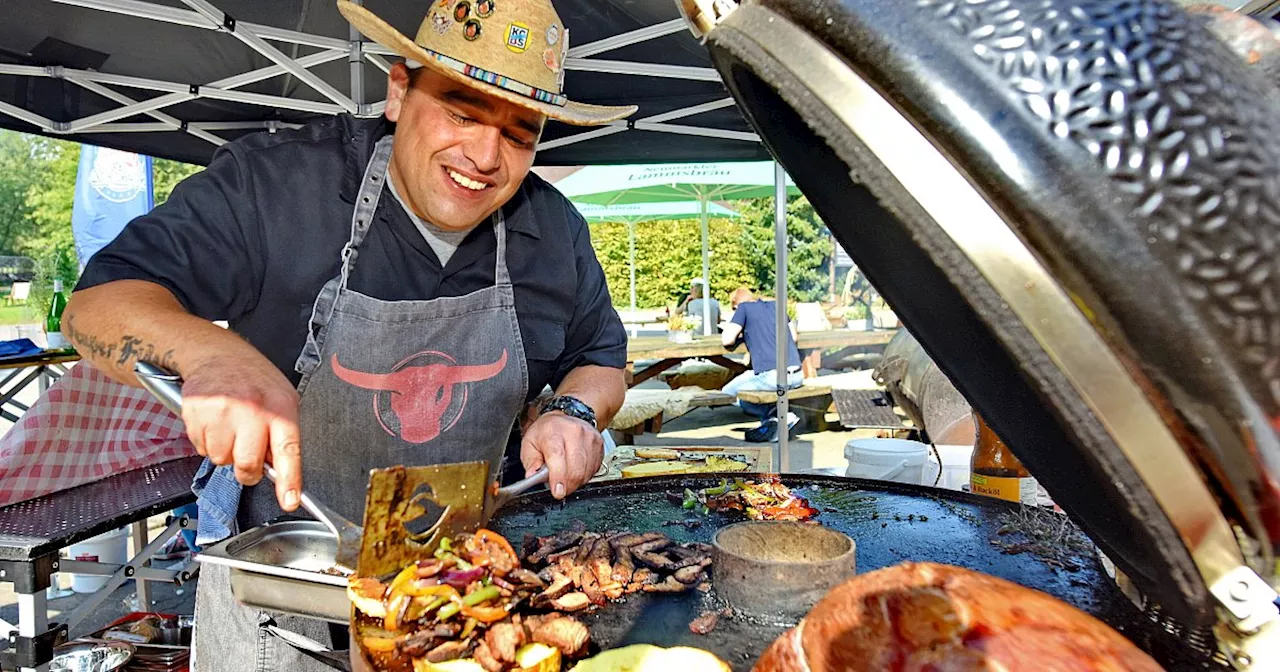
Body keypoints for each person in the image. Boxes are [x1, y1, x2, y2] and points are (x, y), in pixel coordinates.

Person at [61, 0, 637, 669]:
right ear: (399, 91)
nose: (485, 156)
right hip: (286, 594)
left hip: (466, 599)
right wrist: (210, 354)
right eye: (462, 110)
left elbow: (601, 359)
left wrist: (574, 410)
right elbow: (95, 308)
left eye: (518, 133)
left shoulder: (555, 232)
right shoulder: (276, 186)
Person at [720, 287, 803, 442]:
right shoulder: (776, 306)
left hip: (773, 377)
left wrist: (739, 328)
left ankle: (777, 416)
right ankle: (775, 423)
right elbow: (794, 336)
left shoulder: (743, 308)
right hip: (797, 375)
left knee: (727, 393)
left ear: (736, 304)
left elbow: (727, 339)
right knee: (748, 376)